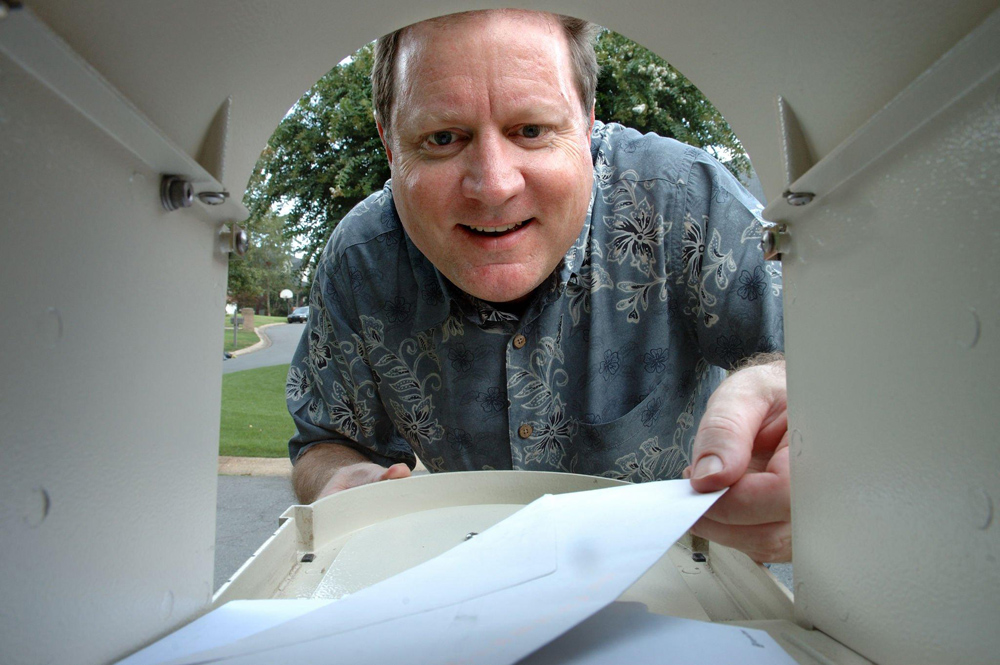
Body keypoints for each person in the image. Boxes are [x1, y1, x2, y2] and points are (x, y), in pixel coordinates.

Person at [286, 10, 791, 563]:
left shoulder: (685, 201)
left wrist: (790, 396)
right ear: (390, 143)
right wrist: (345, 481)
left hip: (682, 577)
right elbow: (325, 440)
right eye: (442, 138)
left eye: (531, 130)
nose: (494, 186)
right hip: (472, 582)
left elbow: (822, 368)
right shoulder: (359, 262)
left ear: (588, 120)